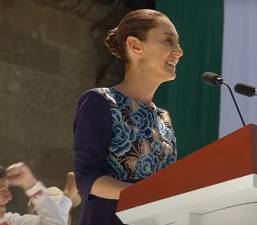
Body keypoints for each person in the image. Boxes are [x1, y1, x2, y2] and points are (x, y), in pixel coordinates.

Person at [73, 9, 183, 225]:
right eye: (168, 41)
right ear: (135, 46)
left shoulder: (164, 119)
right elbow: (87, 179)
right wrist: (146, 195)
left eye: (177, 43)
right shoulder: (100, 102)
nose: (179, 51)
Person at [0, 162, 70, 225]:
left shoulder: (10, 221)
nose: (9, 197)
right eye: (1, 190)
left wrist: (31, 185)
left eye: (7, 188)